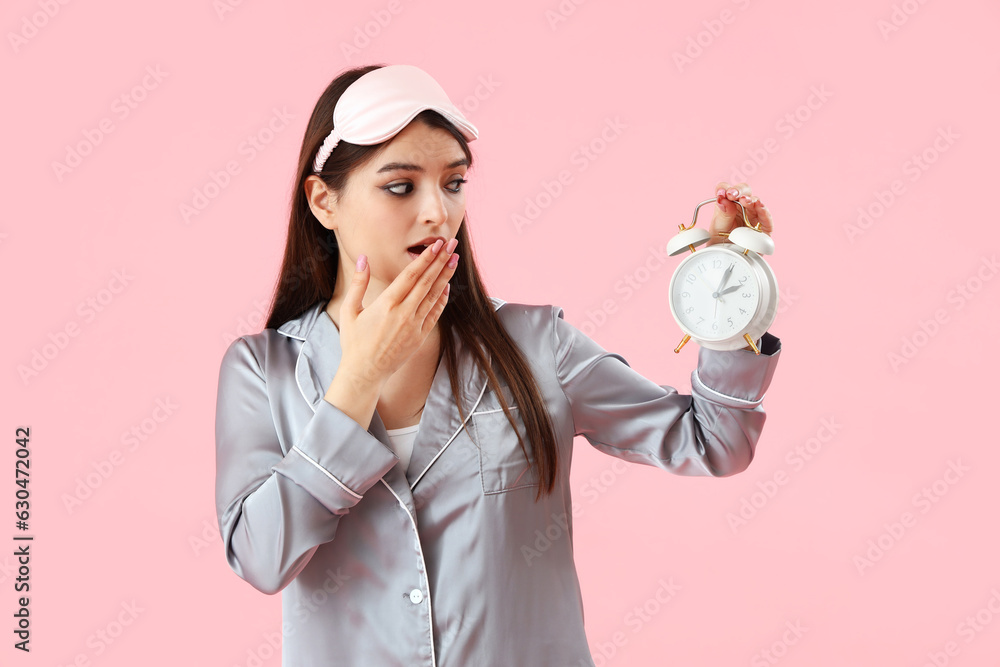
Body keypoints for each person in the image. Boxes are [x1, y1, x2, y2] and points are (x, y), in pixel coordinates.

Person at [214, 63, 782, 667]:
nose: (437, 212)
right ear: (323, 200)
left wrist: (730, 295)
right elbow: (261, 558)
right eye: (401, 186)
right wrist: (358, 380)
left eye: (453, 183)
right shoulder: (263, 370)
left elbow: (715, 442)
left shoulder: (537, 347)